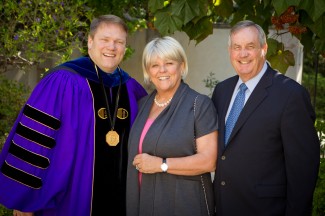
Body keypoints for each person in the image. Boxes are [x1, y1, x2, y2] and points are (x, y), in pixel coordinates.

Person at [0, 14, 147, 216]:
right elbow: (35, 140)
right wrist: (25, 200)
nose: (111, 47)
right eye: (105, 40)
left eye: (118, 42)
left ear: (124, 47)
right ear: (90, 41)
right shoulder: (62, 81)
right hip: (70, 200)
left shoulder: (131, 88)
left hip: (121, 200)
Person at [211, 20, 320, 216]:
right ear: (230, 51)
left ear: (264, 48)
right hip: (224, 207)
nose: (242, 54)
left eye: (250, 47)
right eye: (237, 47)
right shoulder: (222, 91)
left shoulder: (291, 95)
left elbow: (303, 172)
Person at [126, 36, 218, 216]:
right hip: (143, 201)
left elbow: (209, 161)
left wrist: (162, 165)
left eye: (169, 63)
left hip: (183, 203)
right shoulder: (142, 104)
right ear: (148, 71)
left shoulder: (199, 105)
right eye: (154, 65)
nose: (162, 70)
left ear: (181, 66)